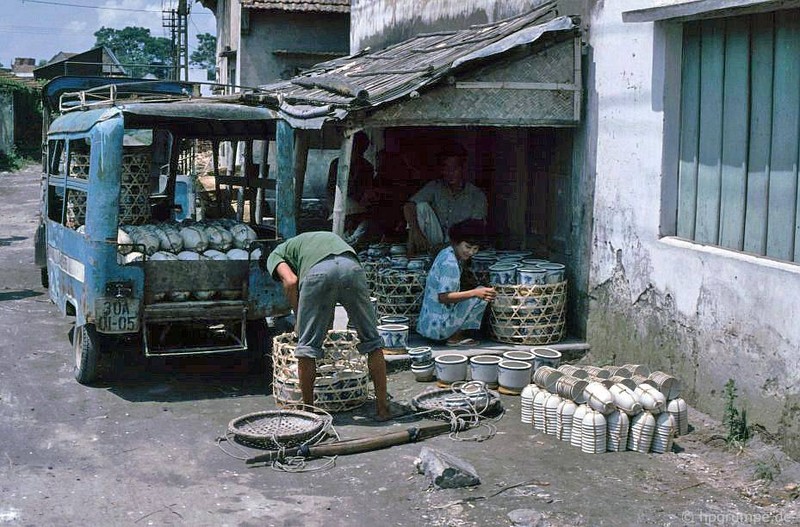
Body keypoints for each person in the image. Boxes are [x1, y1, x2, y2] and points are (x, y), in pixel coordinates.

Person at [266, 231, 392, 420]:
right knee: (373, 342)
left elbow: (291, 281)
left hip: (318, 273)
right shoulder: (311, 239)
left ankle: (309, 414)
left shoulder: (274, 255)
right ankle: (383, 409)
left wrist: (299, 318)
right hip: (352, 268)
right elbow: (330, 295)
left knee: (306, 348)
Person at [416, 219, 496, 346]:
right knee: (482, 294)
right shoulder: (450, 262)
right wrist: (475, 292)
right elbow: (443, 297)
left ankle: (454, 333)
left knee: (477, 291)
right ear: (456, 242)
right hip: (439, 328)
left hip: (429, 326)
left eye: (475, 249)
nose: (471, 252)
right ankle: (455, 336)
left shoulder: (446, 252)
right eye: (468, 247)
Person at [403, 143, 488, 255]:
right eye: (446, 168)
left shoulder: (476, 195)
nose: (450, 173)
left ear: (462, 168)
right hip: (435, 241)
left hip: (460, 245)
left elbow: (476, 231)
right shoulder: (435, 186)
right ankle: (412, 256)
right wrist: (416, 231)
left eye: (454, 168)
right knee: (420, 206)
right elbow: (408, 206)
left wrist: (447, 247)